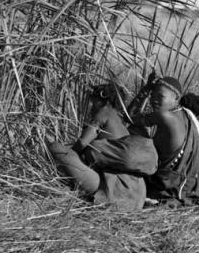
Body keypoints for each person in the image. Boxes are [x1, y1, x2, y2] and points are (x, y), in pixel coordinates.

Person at [47, 82, 158, 210]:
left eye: (93, 103)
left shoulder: (103, 113)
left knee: (56, 148)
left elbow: (83, 142)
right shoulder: (120, 118)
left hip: (116, 190)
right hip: (137, 193)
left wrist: (70, 155)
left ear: (103, 100)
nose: (91, 107)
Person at [126, 77, 199, 206]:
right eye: (152, 95)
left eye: (160, 96)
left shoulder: (164, 116)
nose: (153, 100)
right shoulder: (188, 117)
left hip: (168, 188)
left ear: (176, 99)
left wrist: (145, 90)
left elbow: (129, 117)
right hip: (193, 190)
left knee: (134, 128)